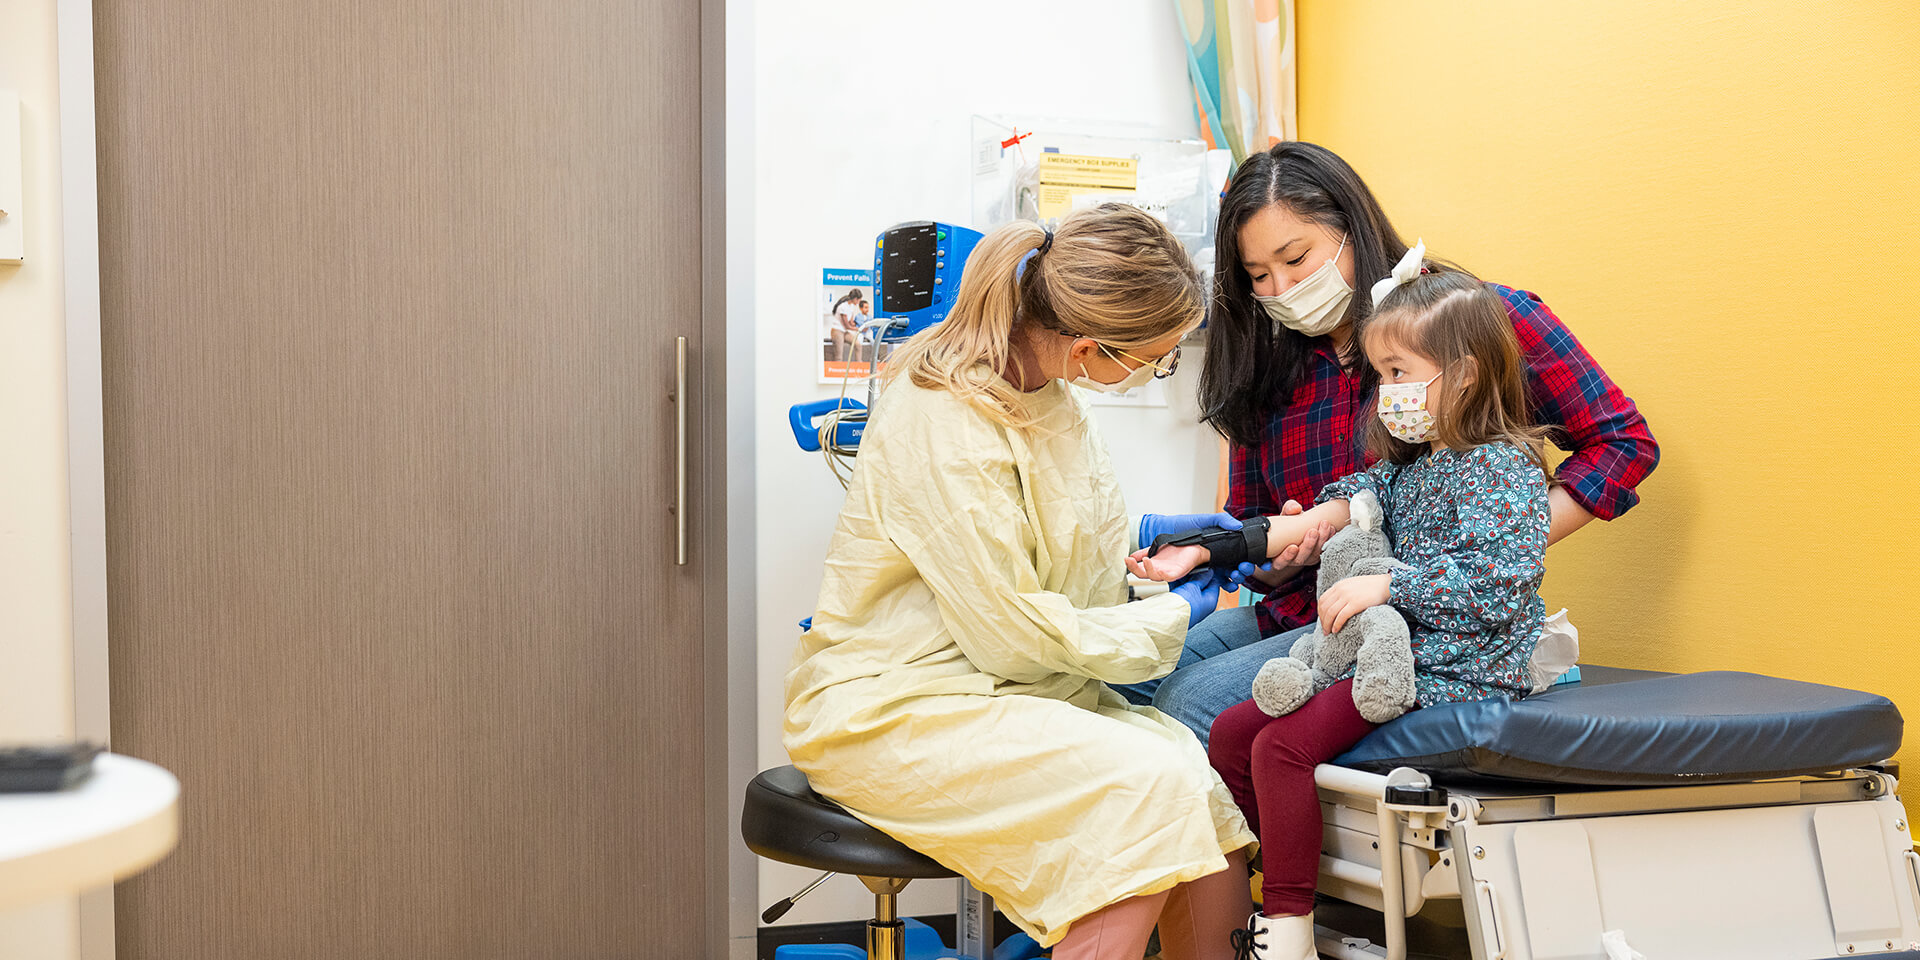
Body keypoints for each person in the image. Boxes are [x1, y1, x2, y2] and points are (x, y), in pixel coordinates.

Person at [784, 204, 1256, 958]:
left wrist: (1144, 564)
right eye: (1156, 357)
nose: (1155, 371)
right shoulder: (944, 416)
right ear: (1091, 346)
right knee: (1145, 796)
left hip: (1005, 687)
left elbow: (1055, 564)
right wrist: (1168, 619)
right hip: (894, 705)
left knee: (1205, 803)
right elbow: (1012, 635)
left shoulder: (1054, 399)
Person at [1117, 141, 1658, 744]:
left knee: (1186, 704)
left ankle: (1243, 842)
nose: (1282, 287)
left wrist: (1500, 542)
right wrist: (1279, 553)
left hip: (1422, 621)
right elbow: (1265, 523)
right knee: (1121, 681)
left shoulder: (1472, 320)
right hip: (1308, 607)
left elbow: (1623, 445)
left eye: (1296, 259)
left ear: (1353, 229)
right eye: (1258, 276)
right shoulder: (1270, 368)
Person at [1139, 263, 1556, 957]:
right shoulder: (1415, 467)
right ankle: (1267, 885)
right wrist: (1223, 544)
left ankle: (1290, 923)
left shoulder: (1503, 467)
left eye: (1399, 373)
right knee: (1235, 732)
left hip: (1456, 669)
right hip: (1400, 651)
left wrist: (1389, 585)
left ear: (1466, 374)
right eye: (1381, 376)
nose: (1387, 393)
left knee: (1281, 743)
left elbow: (1499, 581)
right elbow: (1357, 489)